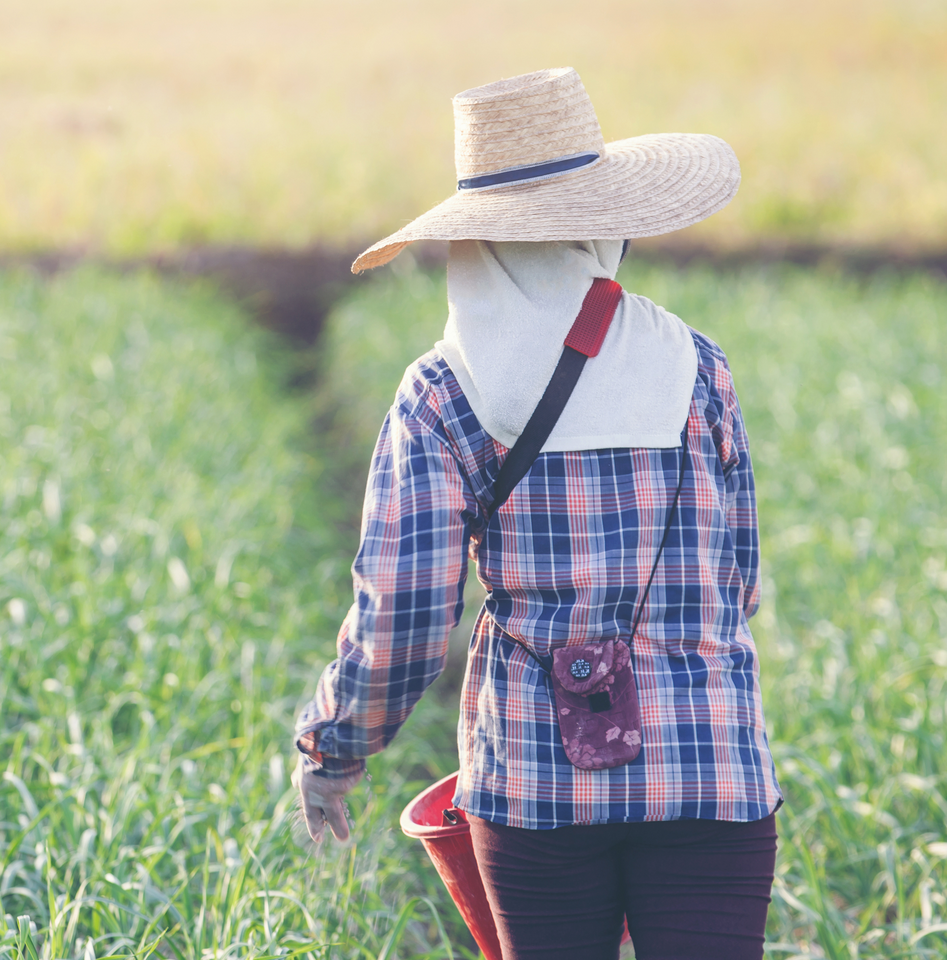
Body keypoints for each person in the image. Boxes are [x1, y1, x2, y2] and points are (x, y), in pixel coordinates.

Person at [292, 68, 780, 959]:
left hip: (536, 786)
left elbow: (403, 619)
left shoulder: (444, 394)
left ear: (475, 242)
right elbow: (738, 583)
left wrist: (336, 748)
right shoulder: (698, 367)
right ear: (602, 229)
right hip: (713, 773)